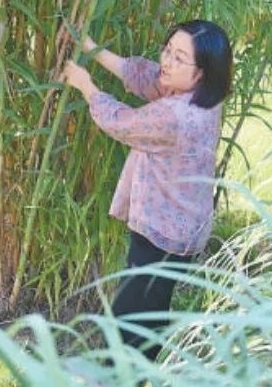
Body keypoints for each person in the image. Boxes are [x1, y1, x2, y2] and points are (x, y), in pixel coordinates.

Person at [60, 20, 233, 361]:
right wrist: (90, 46)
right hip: (182, 224)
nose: (167, 61)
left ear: (201, 73)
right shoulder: (201, 96)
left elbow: (120, 122)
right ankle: (145, 375)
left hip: (163, 231)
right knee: (152, 306)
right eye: (168, 49)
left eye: (179, 58)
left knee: (131, 310)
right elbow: (143, 76)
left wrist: (86, 85)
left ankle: (114, 383)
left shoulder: (177, 116)